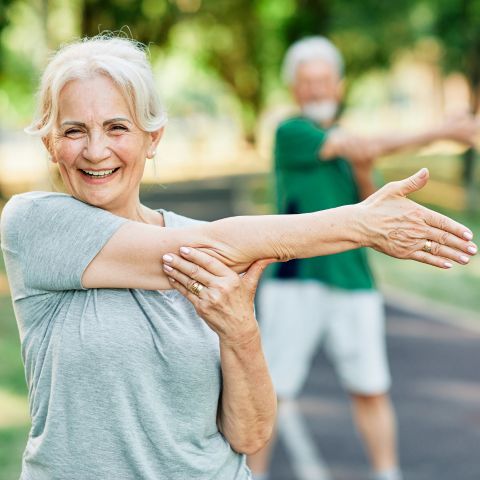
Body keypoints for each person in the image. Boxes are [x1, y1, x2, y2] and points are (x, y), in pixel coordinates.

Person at [0, 35, 476, 480]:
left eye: (117, 127)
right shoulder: (34, 224)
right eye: (74, 130)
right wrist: (360, 225)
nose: (95, 149)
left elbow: (248, 435)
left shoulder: (203, 243)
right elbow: (214, 245)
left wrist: (241, 332)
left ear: (153, 137)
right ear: (50, 143)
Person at [247, 36, 480, 480]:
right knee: (272, 393)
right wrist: (440, 132)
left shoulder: (357, 144)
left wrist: (363, 163)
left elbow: (369, 198)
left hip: (354, 282)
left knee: (371, 389)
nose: (316, 89)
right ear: (294, 88)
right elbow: (352, 144)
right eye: (306, 81)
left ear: (339, 85)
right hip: (296, 281)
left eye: (324, 80)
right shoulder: (291, 133)